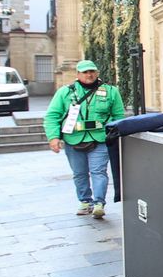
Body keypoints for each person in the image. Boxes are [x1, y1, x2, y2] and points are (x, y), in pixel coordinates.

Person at [44, 60, 125, 219]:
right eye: (85, 72)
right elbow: (52, 116)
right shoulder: (65, 92)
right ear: (78, 74)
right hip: (73, 139)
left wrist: (115, 134)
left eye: (92, 71)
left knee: (98, 171)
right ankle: (85, 201)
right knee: (79, 173)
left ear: (97, 73)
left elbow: (118, 116)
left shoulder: (110, 91)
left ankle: (99, 203)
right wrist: (53, 137)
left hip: (100, 138)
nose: (89, 75)